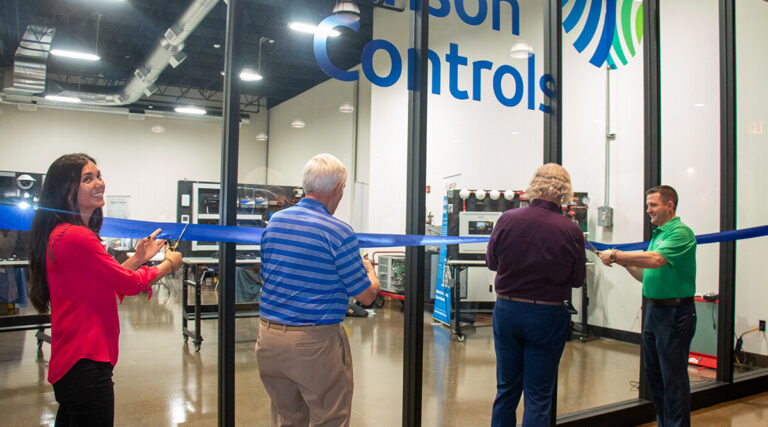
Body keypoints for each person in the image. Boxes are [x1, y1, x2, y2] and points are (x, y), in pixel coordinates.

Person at [28, 153, 183, 426]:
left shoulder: (63, 234)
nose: (99, 183)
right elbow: (128, 283)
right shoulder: (76, 236)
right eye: (87, 179)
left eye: (98, 175)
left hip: (74, 362)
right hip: (85, 362)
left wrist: (138, 259)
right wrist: (167, 265)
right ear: (66, 191)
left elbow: (106, 280)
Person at [256, 153, 380, 427]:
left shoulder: (275, 222)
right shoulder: (338, 231)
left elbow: (268, 275)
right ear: (338, 189)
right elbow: (366, 295)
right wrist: (372, 276)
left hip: (268, 339)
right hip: (313, 343)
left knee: (287, 418)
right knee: (330, 418)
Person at [486, 163, 586, 427]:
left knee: (506, 390)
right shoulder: (571, 230)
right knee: (538, 396)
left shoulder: (508, 219)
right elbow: (577, 280)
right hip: (547, 314)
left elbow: (492, 262)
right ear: (565, 191)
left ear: (534, 183)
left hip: (507, 311)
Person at [599, 185, 696, 427]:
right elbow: (647, 274)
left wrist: (617, 255)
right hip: (654, 312)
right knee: (656, 379)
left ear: (669, 205)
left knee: (672, 380)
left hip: (674, 314)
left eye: (653, 205)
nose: (648, 210)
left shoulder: (681, 232)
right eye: (647, 205)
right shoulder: (658, 235)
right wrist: (624, 264)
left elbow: (655, 260)